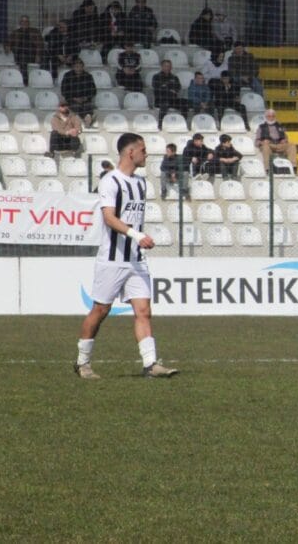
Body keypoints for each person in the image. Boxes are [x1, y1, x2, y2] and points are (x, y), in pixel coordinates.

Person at [73, 132, 178, 380]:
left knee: (143, 310)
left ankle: (151, 363)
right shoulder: (110, 181)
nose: (146, 154)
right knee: (100, 310)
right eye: (142, 150)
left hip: (136, 259)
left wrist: (138, 240)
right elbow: (109, 218)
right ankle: (82, 363)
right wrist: (136, 235)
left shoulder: (141, 183)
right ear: (130, 152)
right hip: (112, 259)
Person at [254, 108, 298, 174]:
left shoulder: (280, 126)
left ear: (275, 117)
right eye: (269, 116)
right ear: (266, 117)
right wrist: (262, 142)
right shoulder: (261, 127)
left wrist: (284, 140)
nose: (271, 118)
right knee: (265, 147)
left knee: (291, 145)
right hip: (269, 145)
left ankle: (293, 167)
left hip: (279, 144)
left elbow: (286, 138)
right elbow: (256, 142)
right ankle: (268, 169)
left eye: (273, 116)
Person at [4, 15, 43, 84]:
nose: (24, 23)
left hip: (32, 54)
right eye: (22, 21)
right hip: (19, 54)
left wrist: (38, 55)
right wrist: (7, 46)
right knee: (23, 57)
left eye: (26, 21)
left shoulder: (35, 31)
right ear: (20, 23)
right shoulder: (15, 32)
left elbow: (40, 44)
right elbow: (7, 42)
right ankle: (25, 81)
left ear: (29, 23)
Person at [152, 60, 190, 129]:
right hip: (161, 99)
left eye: (169, 66)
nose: (168, 68)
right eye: (166, 66)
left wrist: (166, 87)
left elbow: (178, 87)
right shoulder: (156, 77)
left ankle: (183, 123)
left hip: (173, 99)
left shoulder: (174, 77)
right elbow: (157, 88)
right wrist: (170, 90)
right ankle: (160, 125)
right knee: (165, 104)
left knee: (185, 102)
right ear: (162, 67)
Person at [61, 58, 96, 127]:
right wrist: (74, 98)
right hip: (72, 99)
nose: (79, 69)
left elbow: (93, 90)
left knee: (88, 105)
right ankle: (87, 118)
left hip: (85, 99)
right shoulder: (67, 76)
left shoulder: (88, 76)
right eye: (77, 67)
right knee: (76, 106)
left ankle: (88, 117)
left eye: (80, 67)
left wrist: (86, 98)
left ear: (83, 67)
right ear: (73, 67)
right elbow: (64, 90)